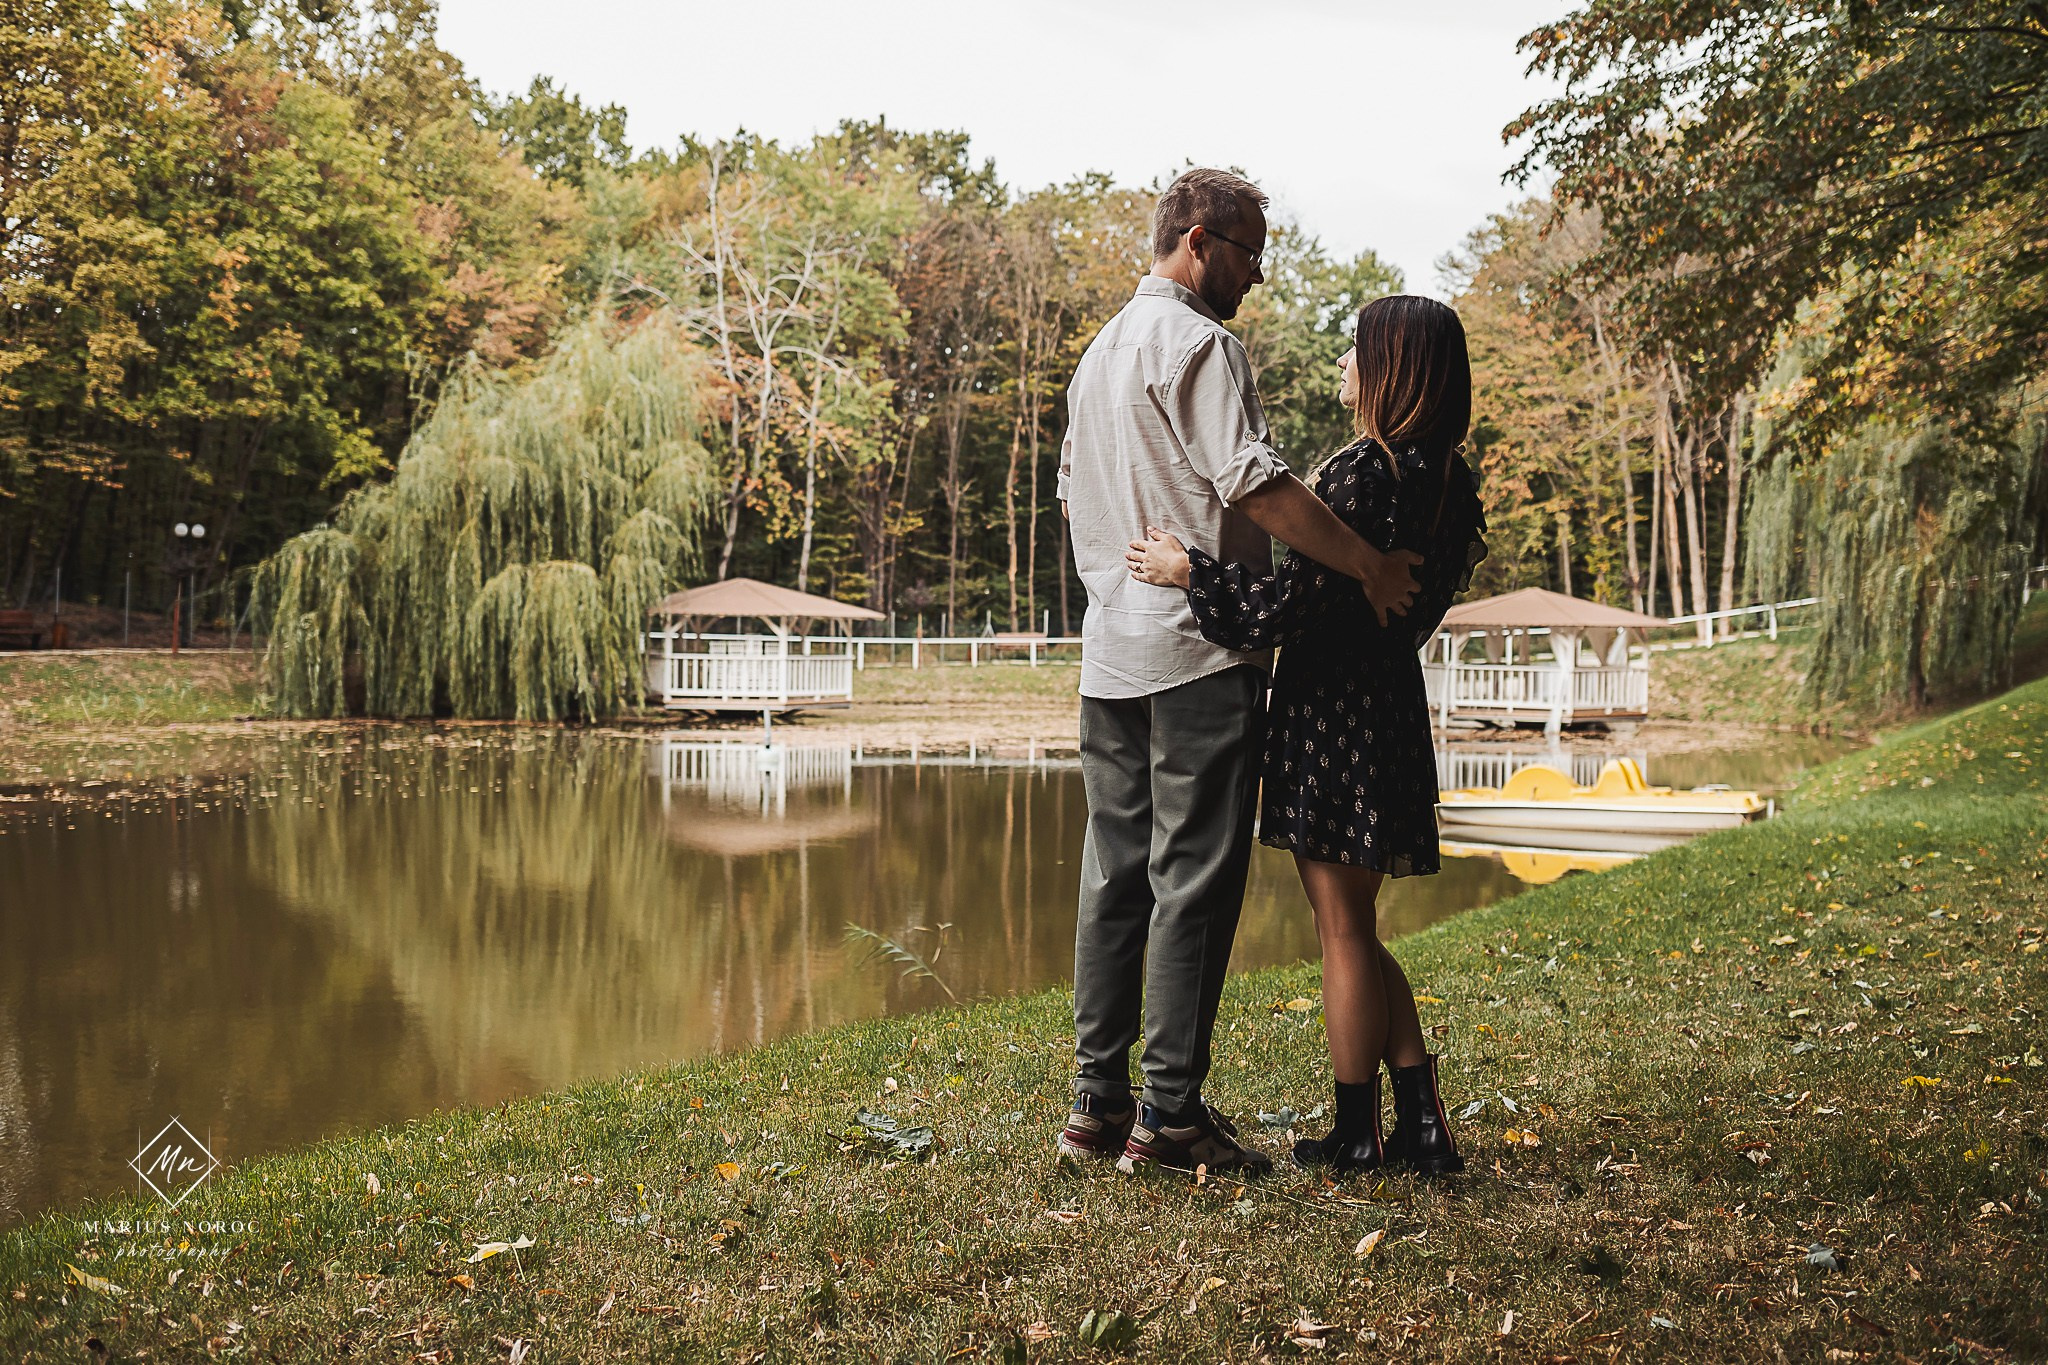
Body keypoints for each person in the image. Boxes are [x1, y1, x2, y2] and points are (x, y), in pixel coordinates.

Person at [1055, 168, 1423, 1176]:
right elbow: (1254, 484)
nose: (1256, 276)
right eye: (1250, 252)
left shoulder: (1096, 357)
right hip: (1195, 655)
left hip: (1109, 655)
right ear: (1200, 241)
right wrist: (1365, 563)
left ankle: (1095, 1104)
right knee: (1194, 886)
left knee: (1111, 876)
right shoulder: (1199, 343)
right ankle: (1167, 1116)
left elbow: (1073, 498)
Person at [1125, 294, 1486, 1175]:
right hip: (1390, 704)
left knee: (1342, 931)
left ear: (1394, 367)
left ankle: (1358, 1133)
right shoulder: (1450, 480)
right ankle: (1420, 1122)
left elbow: (1291, 605)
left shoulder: (1367, 474)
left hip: (1334, 713)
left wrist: (1190, 570)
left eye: (1355, 350)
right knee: (1354, 924)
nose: (1343, 365)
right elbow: (1404, 603)